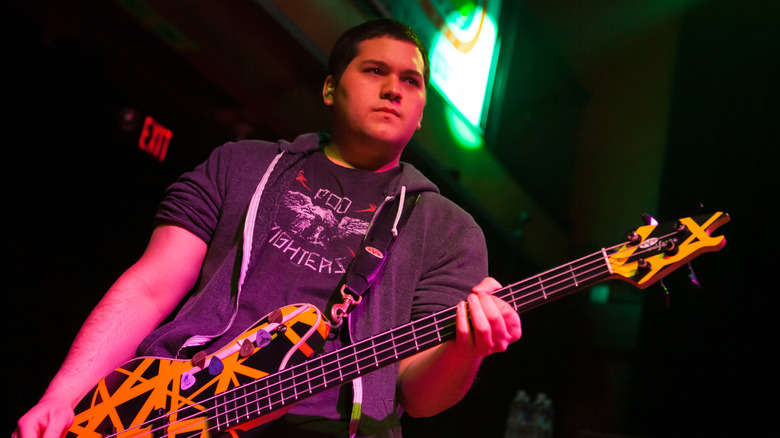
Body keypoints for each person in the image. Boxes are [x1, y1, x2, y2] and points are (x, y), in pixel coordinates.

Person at [13, 18, 522, 438]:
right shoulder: (240, 165)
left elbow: (419, 396)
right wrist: (63, 396)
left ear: (421, 110)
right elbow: (151, 286)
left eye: (411, 81)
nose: (394, 89)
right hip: (167, 408)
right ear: (329, 88)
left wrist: (468, 347)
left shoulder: (449, 230)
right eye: (374, 71)